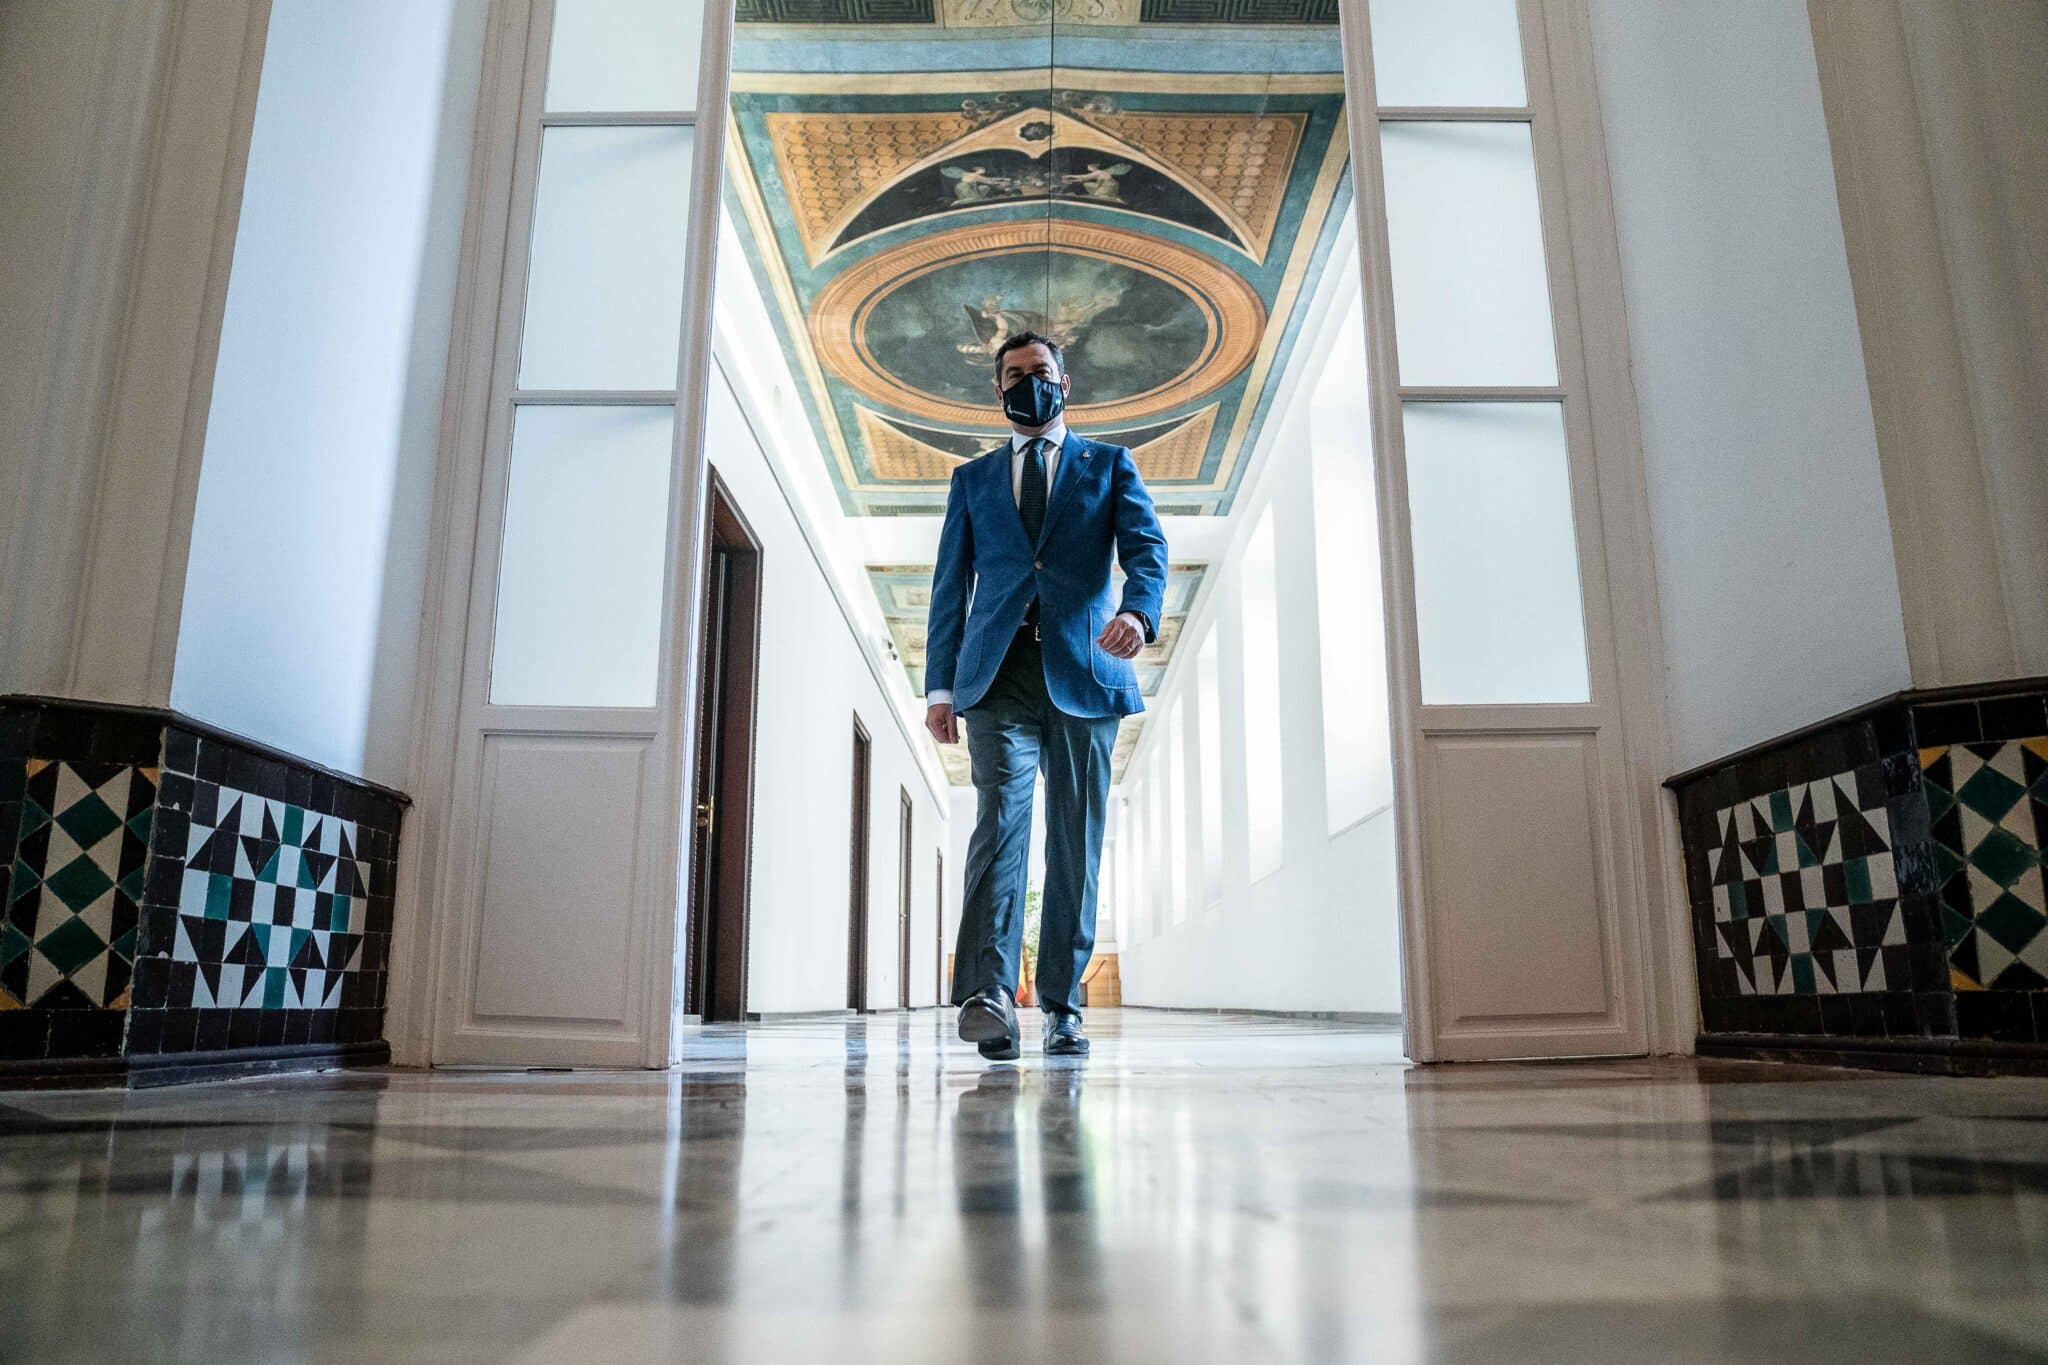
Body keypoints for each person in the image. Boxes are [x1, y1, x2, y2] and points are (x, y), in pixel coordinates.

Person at [924, 331, 1168, 1060]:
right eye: (1014, 375)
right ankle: (990, 995)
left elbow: (1146, 550)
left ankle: (1064, 1005)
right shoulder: (972, 482)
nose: (1029, 383)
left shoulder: (1109, 465)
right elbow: (949, 589)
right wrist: (940, 685)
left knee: (1075, 837)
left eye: (1040, 372)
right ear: (998, 391)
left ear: (1066, 383)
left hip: (1085, 671)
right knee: (999, 825)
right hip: (997, 676)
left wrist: (1136, 612)